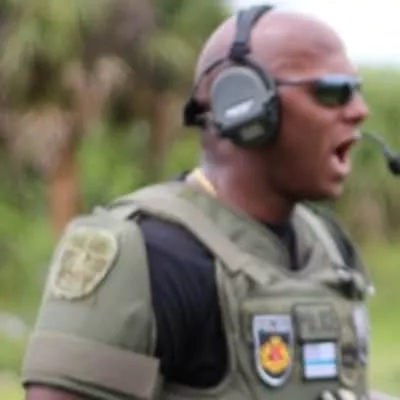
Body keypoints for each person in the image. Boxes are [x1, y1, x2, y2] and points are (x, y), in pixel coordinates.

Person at [21, 4, 396, 400]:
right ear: (246, 103)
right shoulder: (149, 256)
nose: (359, 111)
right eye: (333, 92)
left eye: (356, 91)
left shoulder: (328, 245)